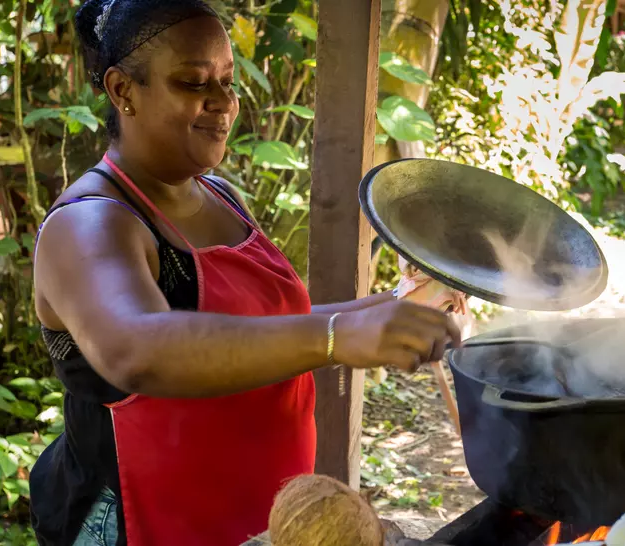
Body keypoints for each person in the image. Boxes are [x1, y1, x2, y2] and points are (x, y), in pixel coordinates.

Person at [29, 1, 465, 545]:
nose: (223, 103)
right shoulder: (91, 222)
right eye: (192, 82)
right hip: (153, 526)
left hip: (257, 521)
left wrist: (389, 307)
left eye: (229, 82)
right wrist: (335, 337)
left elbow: (273, 323)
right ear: (122, 91)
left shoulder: (218, 195)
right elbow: (136, 348)